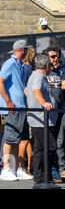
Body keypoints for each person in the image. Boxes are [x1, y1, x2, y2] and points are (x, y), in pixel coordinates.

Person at [0, 39, 33, 181]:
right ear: (23, 49)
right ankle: (6, 168)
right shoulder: (10, 63)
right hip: (13, 107)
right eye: (27, 49)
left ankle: (17, 168)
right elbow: (0, 81)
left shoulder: (21, 65)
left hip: (21, 106)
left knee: (17, 139)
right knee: (10, 139)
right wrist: (9, 102)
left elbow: (19, 86)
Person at [26, 54, 58, 186]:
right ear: (46, 66)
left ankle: (41, 176)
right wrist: (43, 102)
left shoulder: (35, 76)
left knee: (41, 147)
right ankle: (41, 176)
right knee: (48, 147)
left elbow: (26, 91)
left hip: (41, 120)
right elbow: (35, 91)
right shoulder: (38, 76)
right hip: (40, 120)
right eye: (50, 65)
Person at [43, 46, 65, 181]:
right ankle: (52, 169)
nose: (55, 58)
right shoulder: (43, 71)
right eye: (52, 56)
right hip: (48, 111)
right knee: (50, 141)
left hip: (62, 108)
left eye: (57, 56)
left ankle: (61, 167)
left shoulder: (63, 69)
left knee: (61, 139)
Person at [22, 46, 36, 175]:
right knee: (27, 139)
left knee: (28, 139)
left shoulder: (24, 68)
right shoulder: (29, 69)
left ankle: (28, 166)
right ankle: (28, 166)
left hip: (27, 106)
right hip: (29, 106)